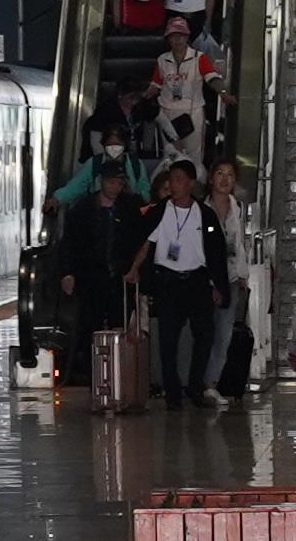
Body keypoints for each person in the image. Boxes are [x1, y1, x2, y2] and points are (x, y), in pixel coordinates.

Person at [141, 160, 231, 410]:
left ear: (191, 183)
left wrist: (217, 285)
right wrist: (136, 270)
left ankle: (195, 386)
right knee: (168, 339)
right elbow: (145, 243)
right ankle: (172, 392)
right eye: (171, 180)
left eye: (179, 180)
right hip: (168, 281)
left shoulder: (205, 214)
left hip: (197, 281)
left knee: (204, 335)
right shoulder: (158, 212)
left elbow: (215, 253)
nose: (174, 185)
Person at [58, 159, 150, 366]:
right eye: (111, 182)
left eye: (119, 183)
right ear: (102, 181)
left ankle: (119, 371)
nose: (115, 188)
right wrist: (68, 273)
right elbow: (69, 243)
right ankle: (94, 371)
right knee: (91, 327)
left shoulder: (131, 207)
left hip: (121, 277)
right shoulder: (82, 210)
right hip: (91, 277)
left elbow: (142, 239)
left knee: (120, 325)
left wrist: (137, 269)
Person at [202, 154, 260, 401]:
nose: (225, 179)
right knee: (205, 332)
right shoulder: (202, 209)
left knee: (224, 334)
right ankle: (198, 380)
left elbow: (239, 244)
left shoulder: (236, 207)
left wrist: (243, 275)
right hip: (206, 279)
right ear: (211, 178)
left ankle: (211, 382)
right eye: (220, 173)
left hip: (232, 278)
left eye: (230, 175)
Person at [150, 24, 210, 175]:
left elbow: (211, 76)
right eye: (173, 36)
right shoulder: (162, 59)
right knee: (171, 153)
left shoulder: (199, 57)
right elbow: (156, 84)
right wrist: (143, 97)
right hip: (168, 112)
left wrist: (223, 92)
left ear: (187, 37)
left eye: (181, 35)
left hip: (193, 111)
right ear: (168, 39)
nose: (177, 40)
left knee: (194, 154)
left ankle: (195, 182)